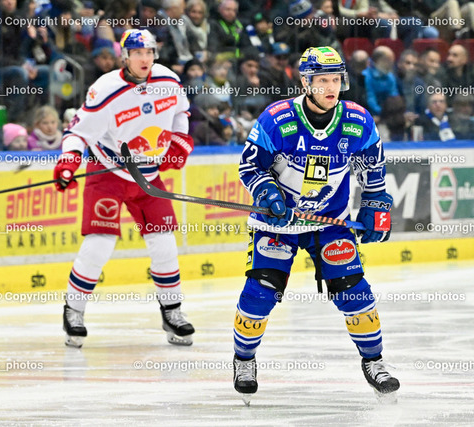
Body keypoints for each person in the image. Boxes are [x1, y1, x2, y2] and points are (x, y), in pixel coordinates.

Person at [232, 46, 400, 401]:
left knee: (355, 292)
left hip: (330, 222)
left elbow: (373, 169)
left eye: (336, 79)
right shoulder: (277, 119)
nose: (331, 87)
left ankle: (374, 361)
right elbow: (250, 167)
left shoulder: (357, 121)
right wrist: (268, 193)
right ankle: (244, 360)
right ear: (306, 83)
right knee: (260, 293)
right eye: (322, 80)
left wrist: (375, 205)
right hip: (277, 223)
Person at [53, 29, 195, 348]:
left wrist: (179, 141)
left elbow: (181, 113)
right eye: (138, 53)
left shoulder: (168, 80)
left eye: (150, 52)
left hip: (148, 175)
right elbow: (77, 132)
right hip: (108, 171)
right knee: (99, 245)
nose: (145, 59)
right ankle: (74, 312)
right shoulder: (105, 89)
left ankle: (172, 311)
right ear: (125, 57)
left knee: (164, 243)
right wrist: (68, 161)